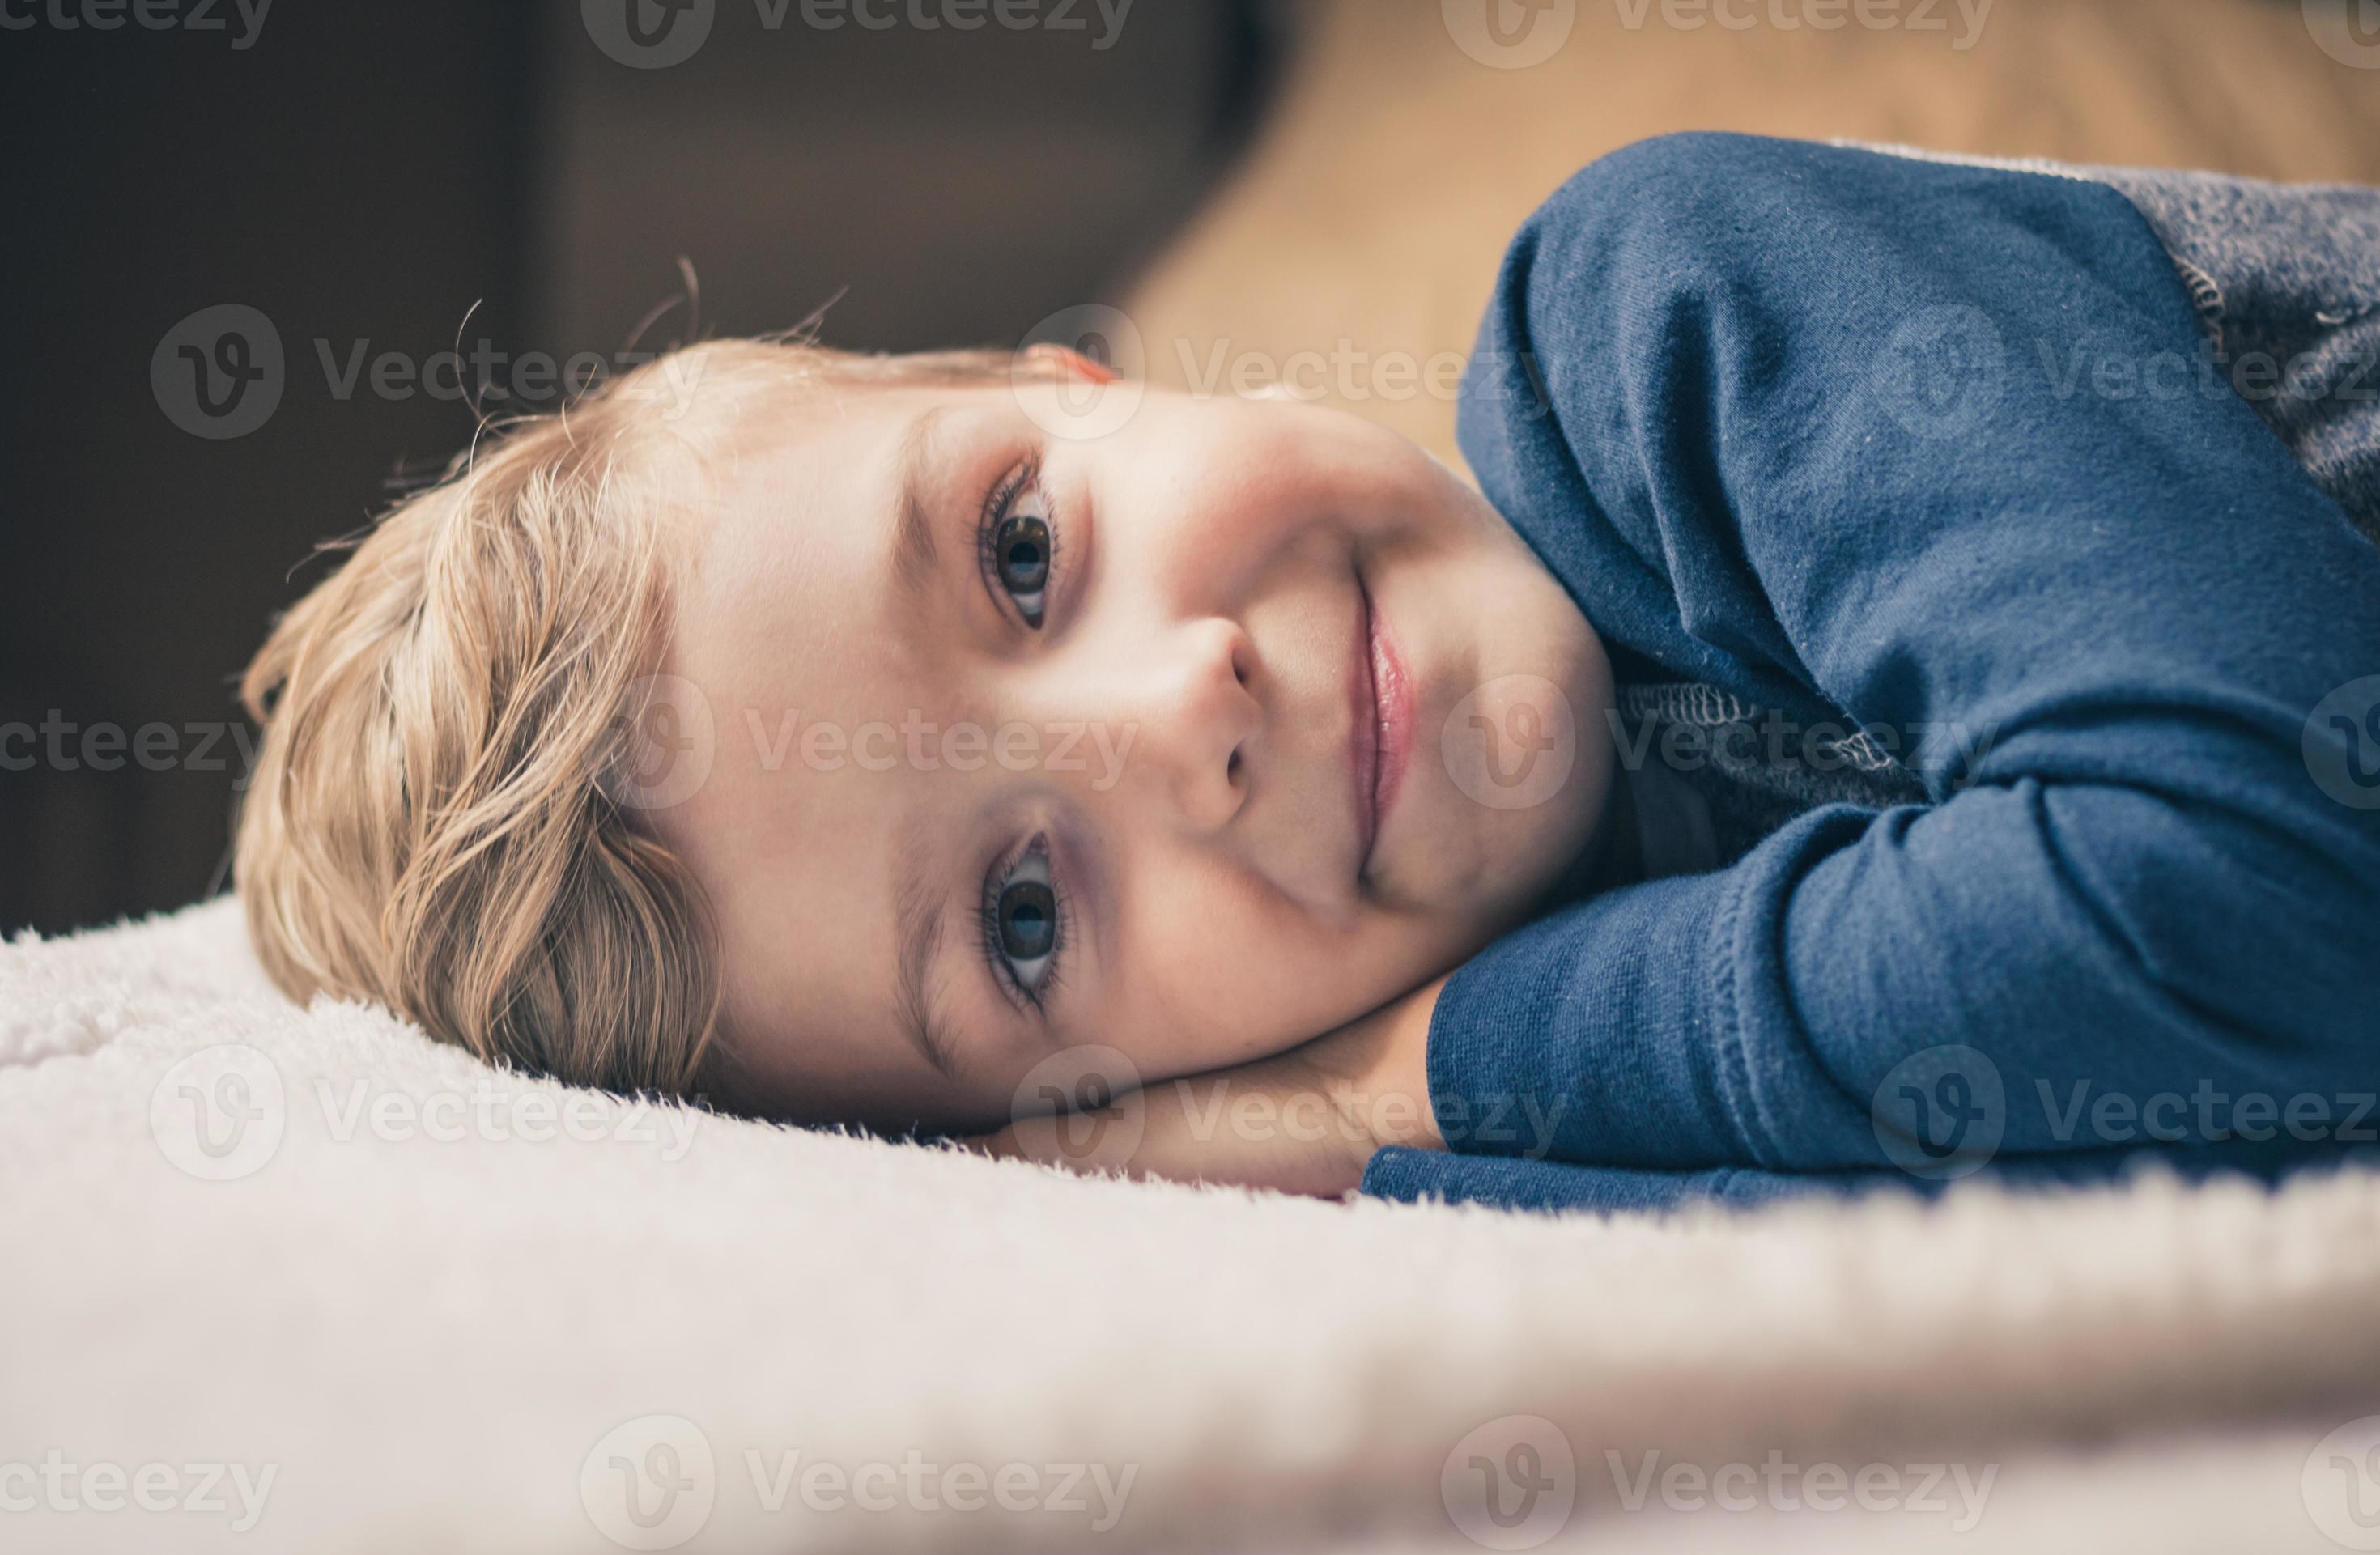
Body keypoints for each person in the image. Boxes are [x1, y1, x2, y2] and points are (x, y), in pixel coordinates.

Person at [237, 134, 2380, 1213]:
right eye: (1021, 916)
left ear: (1077, 378)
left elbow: (2249, 887)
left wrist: (1381, 1090)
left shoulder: (1665, 316)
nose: (1179, 717)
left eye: (1017, 553)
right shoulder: (1580, 1134)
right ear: (1077, 1114)